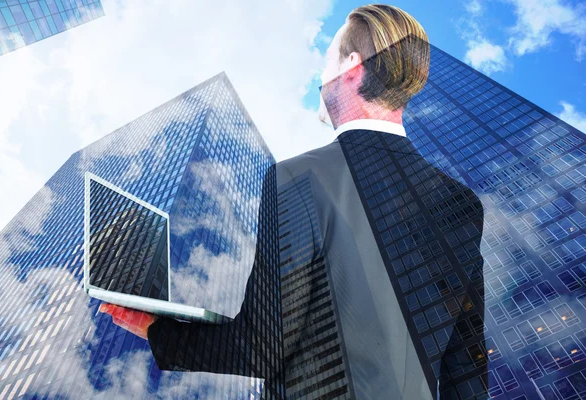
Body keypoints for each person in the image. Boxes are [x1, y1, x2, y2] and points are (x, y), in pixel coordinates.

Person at [101, 4, 488, 399]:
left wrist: (154, 329)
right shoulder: (461, 202)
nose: (320, 78)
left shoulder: (297, 179)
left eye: (326, 62)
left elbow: (261, 350)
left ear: (351, 67)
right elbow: (466, 373)